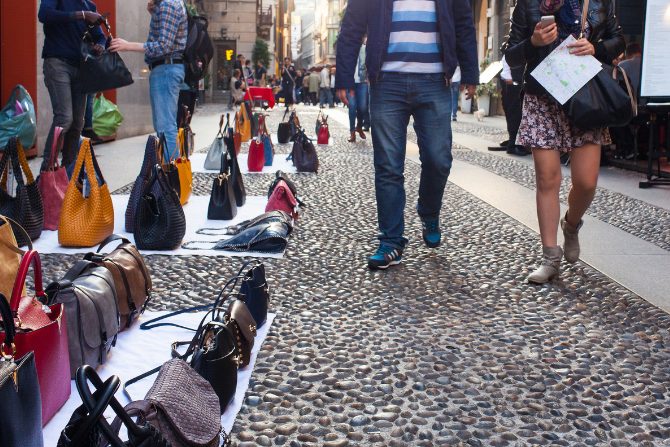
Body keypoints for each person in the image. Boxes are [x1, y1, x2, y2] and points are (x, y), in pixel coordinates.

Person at [336, 0, 478, 270]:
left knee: (439, 159)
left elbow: (463, 24)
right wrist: (344, 76)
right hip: (386, 80)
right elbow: (352, 26)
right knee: (388, 166)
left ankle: (428, 210)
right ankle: (391, 242)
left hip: (436, 81)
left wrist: (470, 71)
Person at [506, 0, 624, 284]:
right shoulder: (529, 4)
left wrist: (596, 48)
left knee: (586, 182)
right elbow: (511, 56)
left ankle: (571, 225)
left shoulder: (598, 1)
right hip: (542, 97)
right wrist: (533, 42)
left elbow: (617, 39)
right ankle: (550, 257)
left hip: (582, 96)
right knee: (548, 178)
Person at [110, 0, 188, 160]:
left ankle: (172, 177)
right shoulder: (167, 5)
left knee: (166, 127)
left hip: (166, 69)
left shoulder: (168, 5)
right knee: (165, 126)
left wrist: (128, 45)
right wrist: (155, 14)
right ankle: (171, 174)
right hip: (167, 68)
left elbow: (164, 45)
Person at [38, 0, 106, 170]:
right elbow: (44, 15)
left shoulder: (89, 5)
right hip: (57, 63)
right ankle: (47, 171)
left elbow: (100, 36)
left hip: (81, 67)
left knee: (77, 123)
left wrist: (100, 46)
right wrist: (82, 15)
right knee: (64, 118)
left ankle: (69, 172)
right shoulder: (79, 8)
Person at [500, 56, 528, 156]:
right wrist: (509, 77)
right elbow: (508, 56)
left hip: (516, 79)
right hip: (514, 80)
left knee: (515, 112)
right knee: (514, 112)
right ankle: (514, 143)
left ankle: (515, 142)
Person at [347, 40, 369, 142]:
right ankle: (352, 132)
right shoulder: (348, 48)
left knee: (363, 107)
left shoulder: (365, 48)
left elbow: (369, 62)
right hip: (350, 82)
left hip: (362, 81)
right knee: (352, 107)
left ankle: (359, 126)